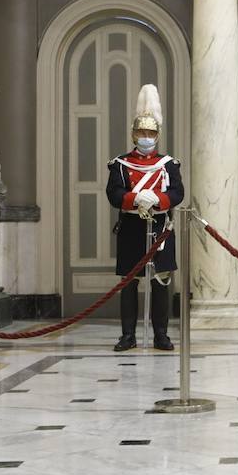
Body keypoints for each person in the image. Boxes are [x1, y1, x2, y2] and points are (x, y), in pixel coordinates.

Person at [106, 84, 184, 352]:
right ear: (133, 134)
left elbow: (177, 192)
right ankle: (128, 335)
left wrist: (159, 200)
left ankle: (161, 334)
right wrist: (135, 199)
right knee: (128, 284)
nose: (146, 137)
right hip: (131, 228)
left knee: (160, 282)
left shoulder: (168, 165)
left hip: (161, 227)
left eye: (151, 133)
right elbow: (114, 193)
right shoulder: (119, 164)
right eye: (141, 132)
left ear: (157, 135)